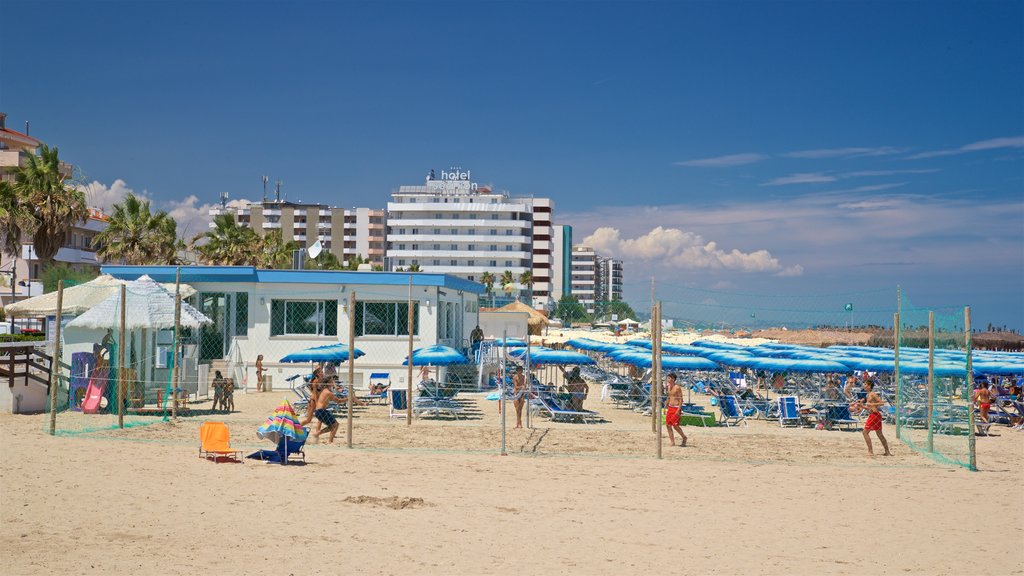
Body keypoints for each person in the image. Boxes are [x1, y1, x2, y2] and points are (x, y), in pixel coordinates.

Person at [852, 380, 891, 456]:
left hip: (875, 415)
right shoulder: (867, 395)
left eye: (865, 384)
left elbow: (881, 403)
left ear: (869, 386)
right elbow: (869, 408)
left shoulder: (872, 394)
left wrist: (873, 404)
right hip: (874, 415)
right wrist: (861, 406)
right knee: (879, 434)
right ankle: (887, 452)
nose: (864, 385)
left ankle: (870, 451)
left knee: (865, 432)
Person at [664, 373, 687, 447]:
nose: (667, 380)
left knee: (675, 426)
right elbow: (669, 397)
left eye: (669, 378)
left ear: (673, 379)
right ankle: (672, 441)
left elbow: (681, 399)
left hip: (676, 407)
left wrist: (678, 409)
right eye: (667, 378)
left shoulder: (677, 387)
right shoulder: (668, 387)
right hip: (670, 407)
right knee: (668, 425)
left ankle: (684, 437)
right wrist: (665, 407)